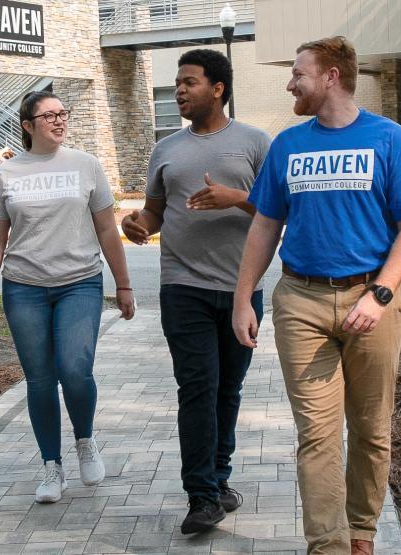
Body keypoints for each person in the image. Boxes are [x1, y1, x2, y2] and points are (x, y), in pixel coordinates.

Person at [232, 36, 401, 555]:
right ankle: (327, 544)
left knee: (370, 430)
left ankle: (362, 536)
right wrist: (243, 298)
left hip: (371, 298)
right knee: (318, 436)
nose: (289, 84)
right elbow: (264, 225)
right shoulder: (287, 145)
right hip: (300, 300)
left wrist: (380, 295)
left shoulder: (390, 140)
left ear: (330, 77)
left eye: (297, 74)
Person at [121, 48, 270, 535]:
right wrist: (137, 225)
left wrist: (237, 198)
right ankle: (202, 496)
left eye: (189, 82)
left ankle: (219, 478)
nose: (180, 91)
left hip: (242, 290)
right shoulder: (166, 149)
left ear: (218, 88)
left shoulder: (254, 143)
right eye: (178, 84)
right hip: (181, 286)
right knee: (198, 389)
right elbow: (155, 212)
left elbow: (277, 212)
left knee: (228, 389)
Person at [0, 91, 135, 504]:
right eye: (48, 115)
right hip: (23, 286)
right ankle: (52, 465)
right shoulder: (7, 174)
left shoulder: (86, 165)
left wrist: (123, 284)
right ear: (27, 125)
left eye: (62, 113)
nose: (59, 120)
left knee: (75, 368)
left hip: (79, 282)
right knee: (41, 379)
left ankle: (85, 440)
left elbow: (106, 229)